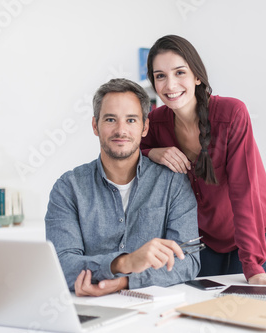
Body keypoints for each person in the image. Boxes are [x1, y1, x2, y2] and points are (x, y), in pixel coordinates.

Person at [140, 35, 266, 286]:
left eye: (179, 72)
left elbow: (244, 191)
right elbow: (132, 154)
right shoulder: (155, 123)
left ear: (197, 76)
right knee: (202, 305)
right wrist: (152, 152)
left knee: (242, 310)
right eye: (160, 76)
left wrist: (253, 267)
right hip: (203, 238)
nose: (170, 84)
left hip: (253, 231)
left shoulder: (231, 114)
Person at [45, 78, 200, 297]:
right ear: (94, 125)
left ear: (145, 127)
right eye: (110, 119)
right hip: (88, 310)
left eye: (131, 120)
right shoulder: (68, 188)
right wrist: (123, 263)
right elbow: (61, 265)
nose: (121, 130)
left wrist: (126, 282)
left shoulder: (172, 183)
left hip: (152, 310)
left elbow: (188, 261)